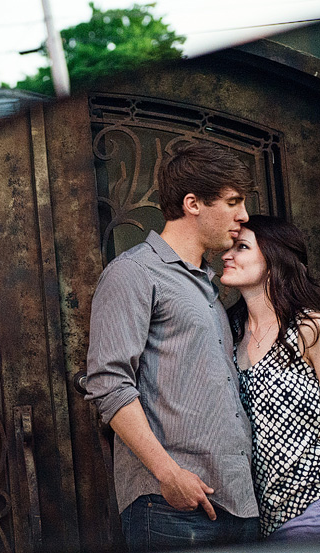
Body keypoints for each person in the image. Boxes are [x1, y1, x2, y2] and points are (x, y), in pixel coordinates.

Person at [85, 141, 259, 550]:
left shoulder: (208, 288)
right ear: (193, 203)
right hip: (169, 508)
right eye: (233, 202)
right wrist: (168, 474)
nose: (244, 216)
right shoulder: (133, 273)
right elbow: (108, 383)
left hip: (238, 504)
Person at [220, 214, 320, 541]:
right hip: (260, 524)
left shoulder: (311, 330)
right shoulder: (227, 333)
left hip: (317, 507)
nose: (226, 255)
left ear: (274, 260)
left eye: (241, 247)